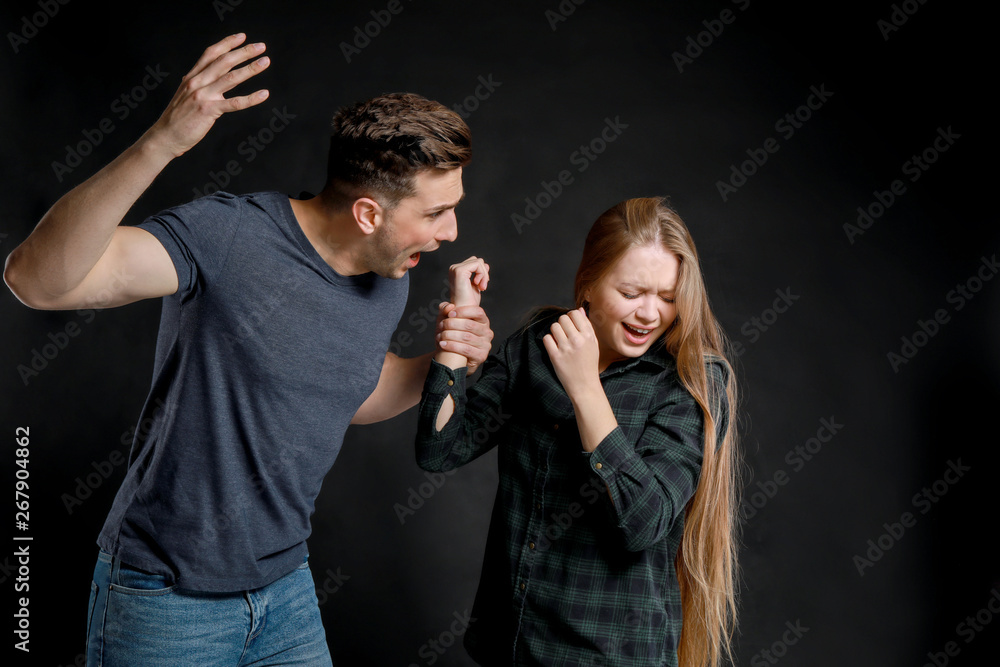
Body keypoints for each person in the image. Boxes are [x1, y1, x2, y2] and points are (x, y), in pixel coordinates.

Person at [4, 34, 494, 665]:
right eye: (436, 213)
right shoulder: (229, 236)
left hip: (285, 590)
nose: (451, 231)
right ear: (369, 214)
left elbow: (347, 389)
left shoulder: (388, 276)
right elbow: (36, 282)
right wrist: (162, 143)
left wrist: (444, 361)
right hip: (166, 598)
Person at [416, 197, 740, 666]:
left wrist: (585, 386)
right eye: (632, 292)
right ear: (588, 282)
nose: (651, 313)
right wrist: (458, 330)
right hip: (511, 646)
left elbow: (643, 523)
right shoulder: (537, 344)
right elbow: (438, 448)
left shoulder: (691, 381)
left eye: (668, 297)